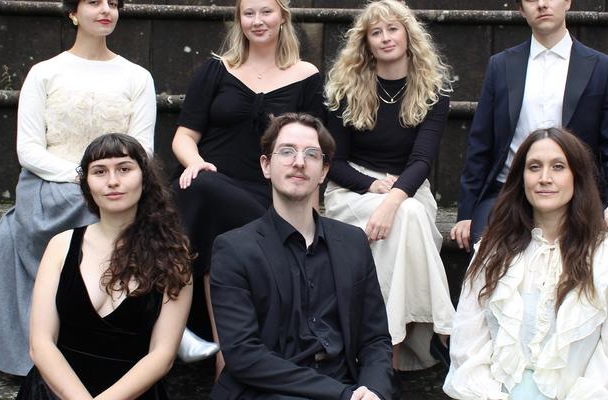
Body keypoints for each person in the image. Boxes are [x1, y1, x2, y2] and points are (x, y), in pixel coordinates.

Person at [0, 0, 158, 376]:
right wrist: (85, 177)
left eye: (113, 3)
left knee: (118, 204)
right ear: (72, 13)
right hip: (51, 184)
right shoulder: (44, 73)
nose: (106, 10)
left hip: (118, 180)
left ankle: (152, 324)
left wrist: (109, 177)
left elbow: (143, 147)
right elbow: (29, 148)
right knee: (90, 206)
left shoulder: (137, 76)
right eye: (94, 2)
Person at [170, 0, 324, 376]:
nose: (258, 21)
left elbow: (312, 147)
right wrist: (195, 163)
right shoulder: (216, 70)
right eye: (249, 13)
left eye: (266, 11)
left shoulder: (306, 75)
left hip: (266, 195)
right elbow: (183, 137)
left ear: (282, 16)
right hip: (209, 181)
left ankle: (175, 322)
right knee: (205, 194)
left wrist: (314, 216)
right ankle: (223, 353)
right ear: (239, 20)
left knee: (208, 205)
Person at [443, 127, 608, 399]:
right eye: (534, 167)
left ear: (577, 176)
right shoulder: (491, 252)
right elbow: (466, 349)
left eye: (558, 167)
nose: (544, 178)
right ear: (521, 178)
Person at [209, 113, 395, 400]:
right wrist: (343, 395)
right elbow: (244, 355)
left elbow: (375, 339)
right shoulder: (233, 249)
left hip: (347, 387)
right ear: (266, 165)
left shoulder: (353, 241)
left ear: (323, 171)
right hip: (268, 392)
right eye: (286, 151)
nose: (299, 162)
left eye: (311, 154)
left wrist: (372, 392)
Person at [451, 0, 608, 255]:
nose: (542, 4)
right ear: (521, 9)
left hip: (578, 191)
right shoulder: (501, 66)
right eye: (531, 0)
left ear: (567, 2)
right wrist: (467, 212)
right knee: (482, 238)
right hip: (510, 191)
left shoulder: (602, 68)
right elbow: (480, 144)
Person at [323, 0, 454, 371]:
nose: (385, 38)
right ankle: (439, 331)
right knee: (407, 219)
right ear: (365, 42)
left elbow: (422, 162)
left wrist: (393, 198)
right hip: (354, 190)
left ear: (408, 34)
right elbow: (335, 162)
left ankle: (384, 347)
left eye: (392, 29)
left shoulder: (432, 89)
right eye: (375, 32)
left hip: (408, 187)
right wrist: (374, 187)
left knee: (407, 214)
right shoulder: (345, 87)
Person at [17, 133, 192, 399]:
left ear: (144, 179)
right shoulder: (60, 245)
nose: (113, 181)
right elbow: (40, 344)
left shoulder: (173, 257)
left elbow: (162, 355)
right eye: (100, 171)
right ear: (86, 184)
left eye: (124, 168)